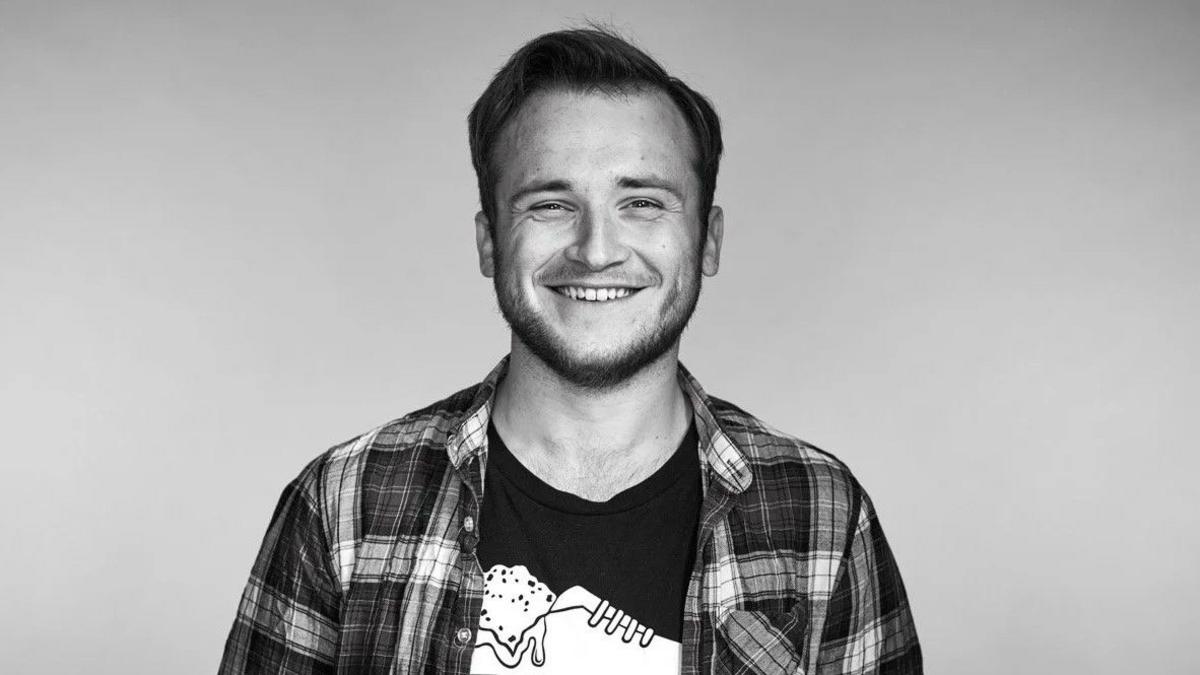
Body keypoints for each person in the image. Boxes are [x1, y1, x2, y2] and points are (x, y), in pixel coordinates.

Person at [219, 27, 922, 675]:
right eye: (550, 204)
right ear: (490, 241)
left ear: (706, 240)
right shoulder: (344, 506)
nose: (595, 249)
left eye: (642, 203)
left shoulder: (821, 517)